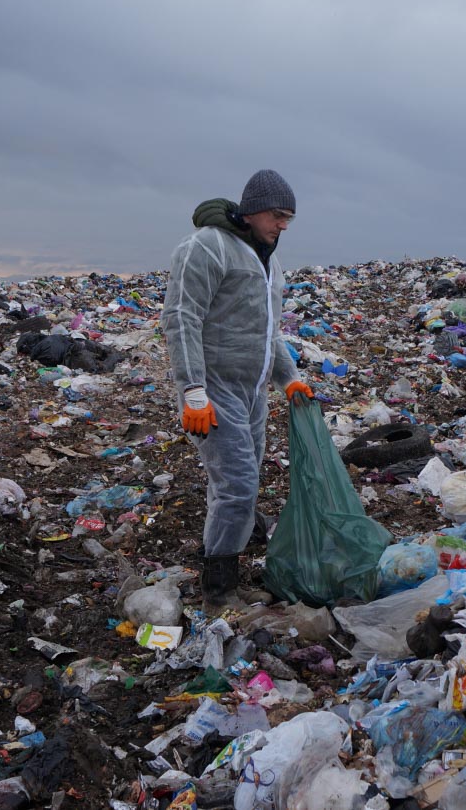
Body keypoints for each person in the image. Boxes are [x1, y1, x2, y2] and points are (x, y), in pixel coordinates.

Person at [161, 169, 314, 608]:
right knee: (240, 487)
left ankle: (219, 556)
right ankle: (220, 592)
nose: (283, 225)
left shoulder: (270, 262)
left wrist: (290, 378)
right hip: (214, 388)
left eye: (289, 218)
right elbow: (182, 317)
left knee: (232, 483)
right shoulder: (207, 247)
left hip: (253, 391)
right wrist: (193, 390)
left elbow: (270, 331)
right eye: (277, 215)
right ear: (250, 212)